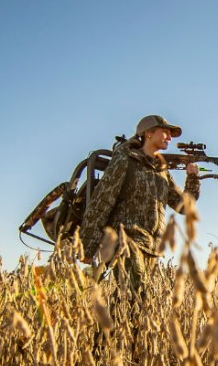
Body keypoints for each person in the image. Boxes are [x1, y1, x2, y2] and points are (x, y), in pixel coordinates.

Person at [80, 114, 200, 292]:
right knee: (136, 294)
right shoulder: (125, 160)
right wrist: (87, 246)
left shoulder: (162, 170)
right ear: (148, 133)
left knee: (135, 305)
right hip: (126, 242)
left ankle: (110, 321)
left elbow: (183, 207)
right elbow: (101, 201)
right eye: (165, 132)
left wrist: (193, 178)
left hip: (152, 247)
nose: (169, 137)